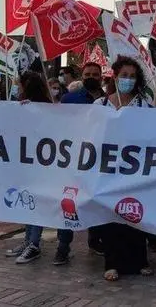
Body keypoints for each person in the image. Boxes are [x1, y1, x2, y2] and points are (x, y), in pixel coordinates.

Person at [94, 56, 153, 281]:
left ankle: (140, 261)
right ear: (115, 77)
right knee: (111, 216)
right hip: (107, 169)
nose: (127, 80)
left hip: (135, 168)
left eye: (132, 76)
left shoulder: (143, 104)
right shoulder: (100, 105)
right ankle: (112, 263)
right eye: (123, 76)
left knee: (135, 213)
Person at [53, 62, 106, 266]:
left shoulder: (109, 100)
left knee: (96, 202)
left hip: (99, 161)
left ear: (101, 76)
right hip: (74, 160)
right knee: (68, 204)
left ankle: (95, 240)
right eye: (87, 74)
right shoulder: (69, 99)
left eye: (95, 73)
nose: (91, 76)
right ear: (82, 76)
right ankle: (63, 247)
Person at [5, 71, 51, 264]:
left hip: (40, 164)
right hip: (26, 163)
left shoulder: (47, 109)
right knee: (28, 202)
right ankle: (28, 240)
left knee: (36, 204)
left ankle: (34, 243)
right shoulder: (25, 107)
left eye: (19, 84)